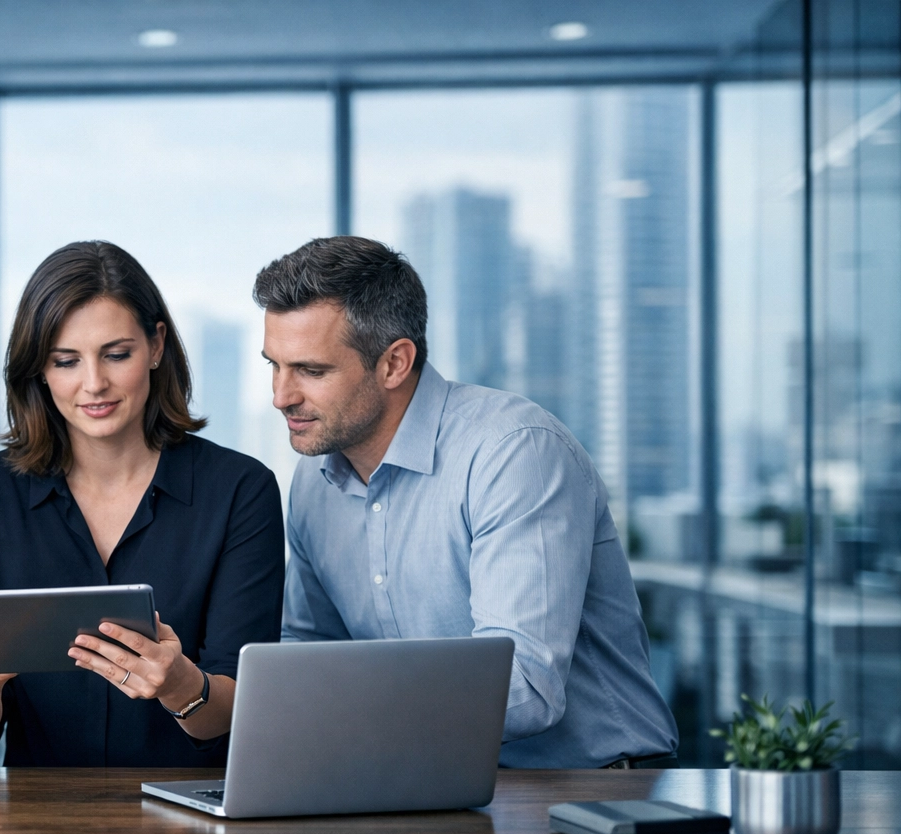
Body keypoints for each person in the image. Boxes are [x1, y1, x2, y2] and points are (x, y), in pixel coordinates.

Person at [254, 236, 678, 769]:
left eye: (311, 371)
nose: (281, 396)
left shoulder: (514, 452)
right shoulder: (315, 480)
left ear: (394, 363)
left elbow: (523, 687)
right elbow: (310, 651)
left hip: (592, 790)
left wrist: (341, 712)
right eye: (275, 365)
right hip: (432, 788)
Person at [0, 241, 284, 767]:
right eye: (66, 361)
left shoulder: (240, 490)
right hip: (35, 827)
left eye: (117, 354)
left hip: (190, 818)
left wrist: (180, 685)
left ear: (156, 346)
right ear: (39, 371)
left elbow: (242, 711)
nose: (94, 384)